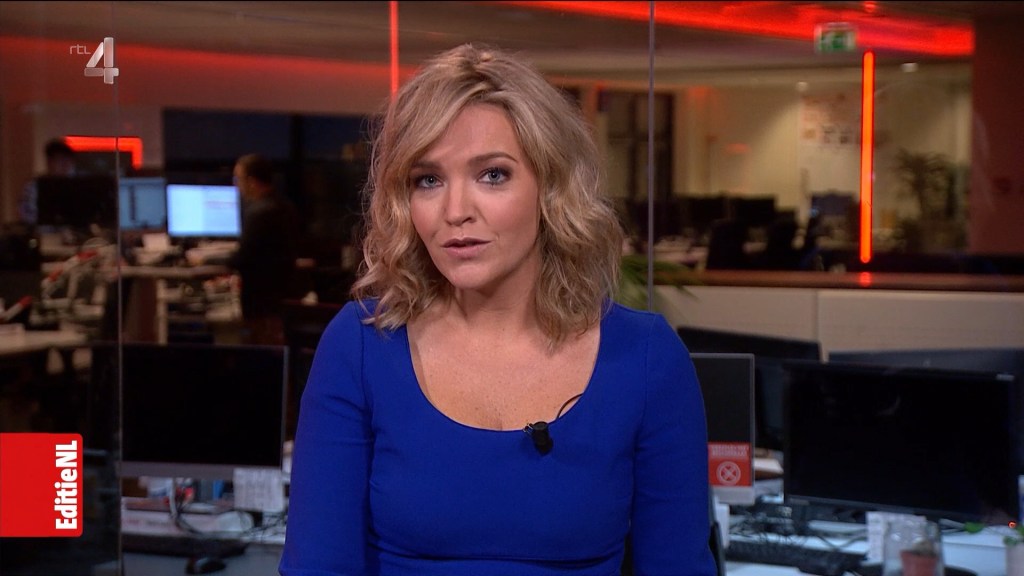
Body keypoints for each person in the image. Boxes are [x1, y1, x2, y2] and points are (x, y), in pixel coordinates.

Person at [280, 43, 716, 576]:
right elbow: (317, 566)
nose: (455, 211)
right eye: (428, 180)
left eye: (492, 175)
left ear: (550, 188)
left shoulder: (645, 357)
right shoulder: (362, 345)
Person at [226, 153, 300, 345]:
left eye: (238, 179)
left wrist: (205, 260)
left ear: (251, 181)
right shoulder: (285, 207)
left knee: (261, 352)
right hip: (282, 300)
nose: (237, 186)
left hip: (262, 304)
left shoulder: (259, 213)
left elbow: (242, 258)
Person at [18, 138, 77, 225]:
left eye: (68, 160)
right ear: (49, 162)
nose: (65, 165)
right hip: (44, 230)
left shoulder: (76, 186)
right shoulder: (34, 186)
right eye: (60, 160)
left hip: (72, 230)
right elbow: (26, 214)